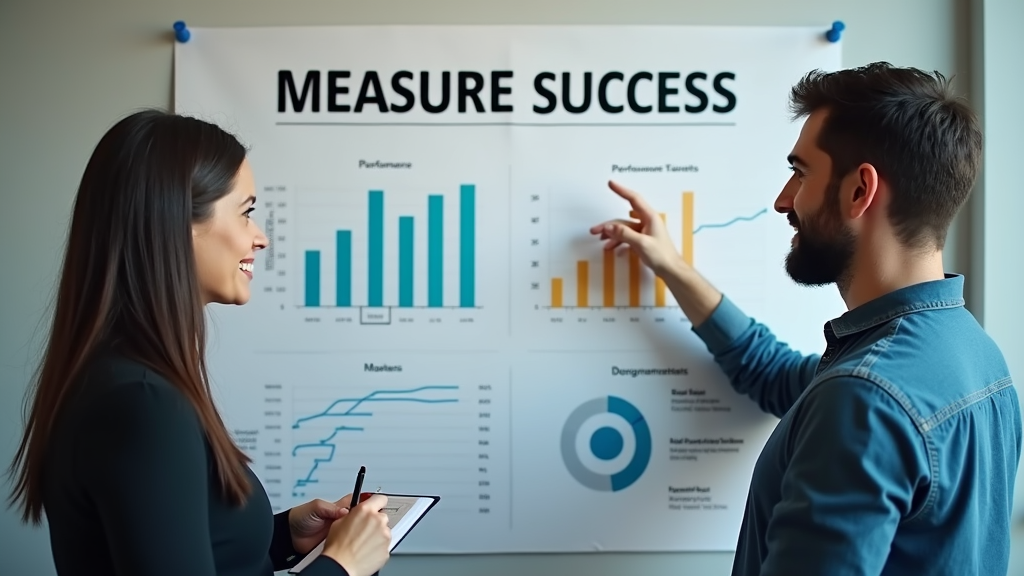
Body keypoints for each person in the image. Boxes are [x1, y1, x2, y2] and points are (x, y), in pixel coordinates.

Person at [591, 62, 1021, 576]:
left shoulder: (865, 397)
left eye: (800, 172)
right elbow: (770, 373)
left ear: (860, 190)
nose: (782, 200)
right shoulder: (972, 354)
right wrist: (671, 265)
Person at [6, 109, 393, 576]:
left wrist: (283, 535)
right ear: (180, 222)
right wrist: (341, 566)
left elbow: (189, 551)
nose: (261, 238)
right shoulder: (142, 403)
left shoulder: (122, 382)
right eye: (246, 212)